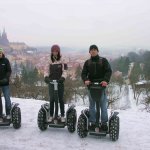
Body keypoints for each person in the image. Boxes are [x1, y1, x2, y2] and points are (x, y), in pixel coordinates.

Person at [81, 44, 112, 132]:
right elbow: (83, 73)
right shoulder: (87, 62)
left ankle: (104, 123)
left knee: (103, 105)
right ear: (89, 52)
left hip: (101, 85)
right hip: (91, 86)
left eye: (95, 49)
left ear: (98, 51)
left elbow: (108, 71)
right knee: (92, 105)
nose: (93, 51)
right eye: (91, 50)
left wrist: (106, 80)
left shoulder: (103, 60)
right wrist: (86, 80)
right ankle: (93, 122)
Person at [44, 44, 67, 123]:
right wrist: (46, 77)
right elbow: (46, 70)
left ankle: (63, 115)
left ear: (58, 51)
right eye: (53, 51)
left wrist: (63, 78)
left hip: (60, 82)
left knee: (60, 99)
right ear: (52, 52)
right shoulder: (49, 60)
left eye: (56, 51)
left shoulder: (63, 59)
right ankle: (51, 115)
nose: (55, 53)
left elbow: (65, 70)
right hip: (51, 82)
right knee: (52, 99)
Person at [0, 48, 12, 121]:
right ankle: (0, 115)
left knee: (7, 99)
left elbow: (9, 70)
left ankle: (8, 114)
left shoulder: (5, 60)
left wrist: (6, 78)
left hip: (5, 83)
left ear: (2, 53)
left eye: (0, 53)